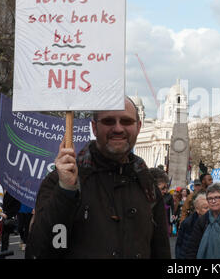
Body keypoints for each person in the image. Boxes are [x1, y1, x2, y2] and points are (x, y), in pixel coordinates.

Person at [26, 97, 171, 259]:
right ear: (94, 128)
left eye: (126, 121)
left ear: (138, 127)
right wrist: (65, 191)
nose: (118, 128)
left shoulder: (147, 185)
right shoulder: (60, 181)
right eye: (109, 121)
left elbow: (161, 251)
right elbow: (38, 251)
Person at [185, 183, 220, 259]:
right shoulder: (203, 220)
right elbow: (193, 247)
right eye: (210, 198)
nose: (213, 201)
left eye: (217, 197)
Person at [175, 193, 209, 259]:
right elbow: (180, 245)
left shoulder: (213, 222)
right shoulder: (187, 223)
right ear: (197, 209)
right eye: (205, 208)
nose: (209, 210)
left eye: (210, 207)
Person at [150, 167, 173, 237]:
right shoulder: (142, 206)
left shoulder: (158, 204)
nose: (165, 191)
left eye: (166, 188)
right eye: (163, 188)